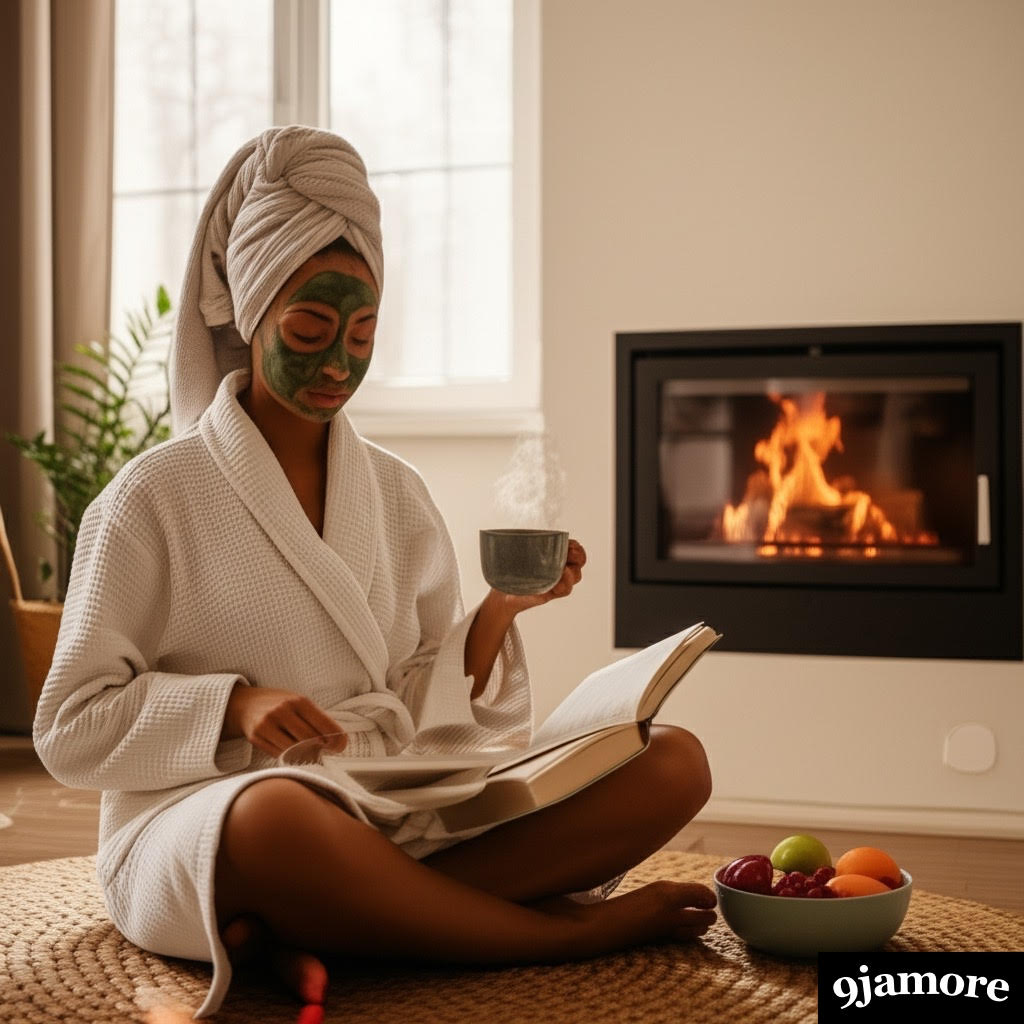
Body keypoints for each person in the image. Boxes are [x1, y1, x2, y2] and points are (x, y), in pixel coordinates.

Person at [33, 126, 715, 1019]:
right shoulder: (152, 496)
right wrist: (234, 705)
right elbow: (70, 728)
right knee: (280, 816)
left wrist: (501, 613)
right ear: (248, 310)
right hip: (209, 823)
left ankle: (342, 921)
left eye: (361, 332)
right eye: (310, 328)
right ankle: (559, 934)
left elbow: (427, 702)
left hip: (393, 813)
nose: (336, 362)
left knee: (670, 763)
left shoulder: (396, 493)